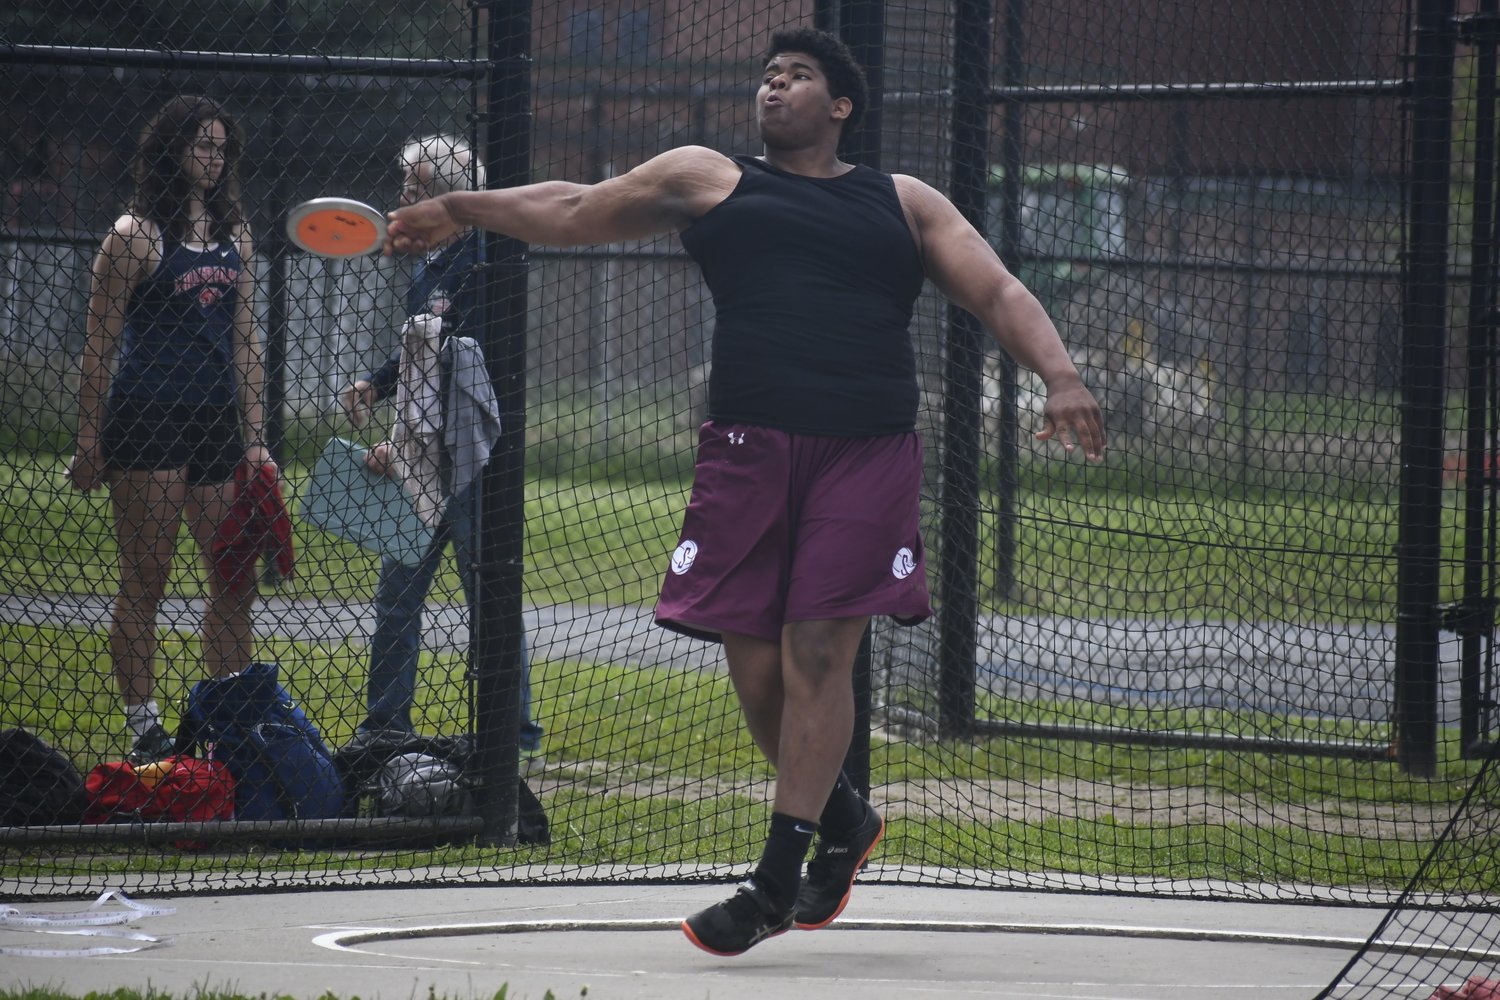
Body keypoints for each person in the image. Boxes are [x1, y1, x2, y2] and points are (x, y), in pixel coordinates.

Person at [384, 28, 1105, 955]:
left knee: (816, 654)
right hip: (747, 451)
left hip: (866, 451)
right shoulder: (708, 177)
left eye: (798, 76)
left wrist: (1061, 374)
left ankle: (773, 882)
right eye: (767, 75)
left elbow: (999, 291)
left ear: (840, 105)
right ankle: (844, 818)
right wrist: (461, 206)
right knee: (755, 669)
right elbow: (570, 205)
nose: (775, 86)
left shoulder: (904, 201)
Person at [67, 95, 274, 760]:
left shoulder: (237, 236)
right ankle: (145, 728)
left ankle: (227, 720)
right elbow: (98, 345)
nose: (211, 158)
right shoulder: (133, 236)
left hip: (216, 421)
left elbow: (246, 345)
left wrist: (257, 439)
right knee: (146, 579)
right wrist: (88, 443)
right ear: (171, 151)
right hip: (148, 417)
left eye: (220, 147)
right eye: (200, 145)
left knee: (234, 576)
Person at [342, 135, 543, 756]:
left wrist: (397, 444)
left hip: (472, 461)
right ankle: (385, 725)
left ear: (450, 198)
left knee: (489, 595)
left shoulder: (485, 261)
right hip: (422, 460)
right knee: (397, 594)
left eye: (416, 189)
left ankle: (513, 726)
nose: (403, 199)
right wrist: (377, 385)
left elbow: (458, 368)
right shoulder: (428, 267)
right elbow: (420, 351)